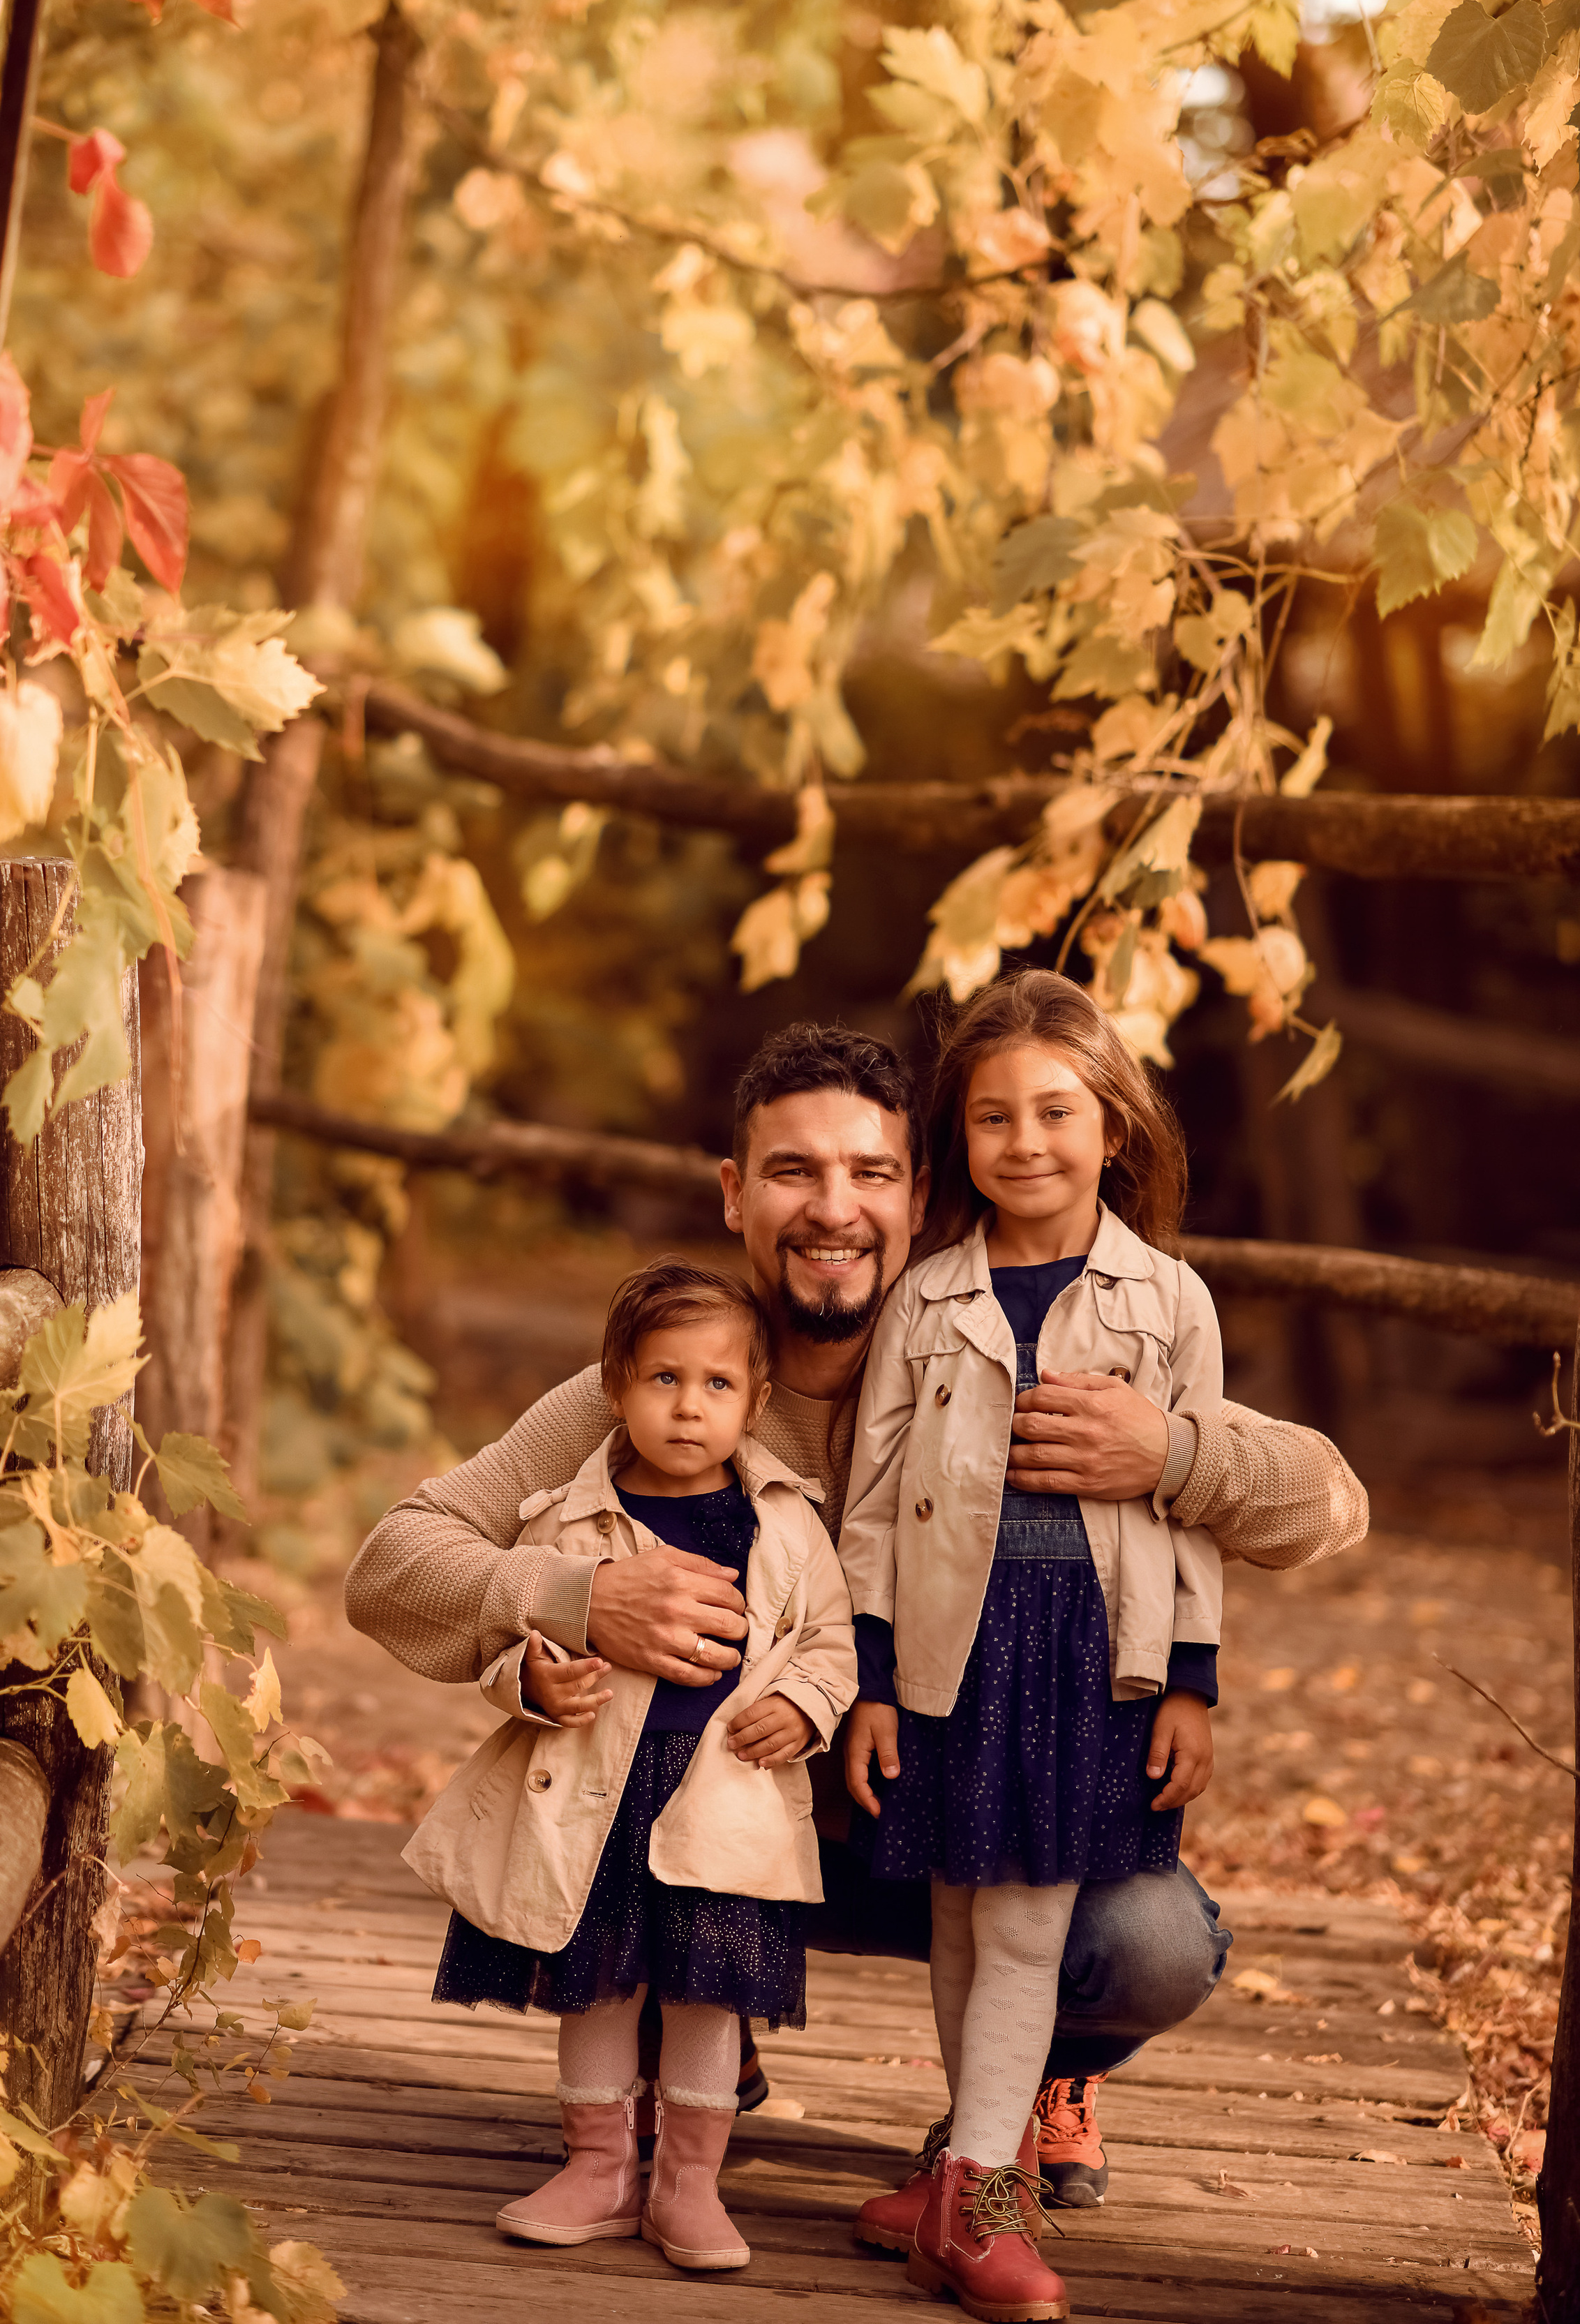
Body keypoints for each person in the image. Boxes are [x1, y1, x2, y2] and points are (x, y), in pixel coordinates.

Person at [346, 1017, 1369, 2216]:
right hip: (724, 1831)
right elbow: (392, 1565)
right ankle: (693, 2014)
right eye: (793, 1172)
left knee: (1151, 1943)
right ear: (735, 1196)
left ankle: (1038, 2076)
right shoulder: (669, 1387)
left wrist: (1176, 1453)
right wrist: (574, 1598)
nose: (834, 1209)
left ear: (920, 1194)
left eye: (870, 1174)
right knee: (602, 1808)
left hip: (951, 1811)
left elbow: (1332, 1504)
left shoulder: (979, 1351)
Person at [838, 969, 1232, 2321]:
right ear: (958, 1142)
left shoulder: (1166, 1300)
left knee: (1021, 1923)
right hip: (952, 1645)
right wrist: (873, 1678)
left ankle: (970, 2202)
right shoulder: (927, 1299)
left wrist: (1190, 1681)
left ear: (1112, 1124)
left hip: (1083, 1648)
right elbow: (872, 1509)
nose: (1026, 1142)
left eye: (1055, 1112)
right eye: (993, 1118)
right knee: (962, 1911)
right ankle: (972, 2165)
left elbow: (1190, 1513)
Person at [401, 1260, 856, 2274]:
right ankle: (599, 2167)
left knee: (706, 1994)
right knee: (595, 1987)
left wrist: (804, 1703)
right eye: (663, 1381)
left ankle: (689, 2182)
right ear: (614, 1386)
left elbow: (830, 1636)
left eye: (718, 1386)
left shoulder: (784, 1519)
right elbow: (505, 1638)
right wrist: (530, 1678)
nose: (689, 1408)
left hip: (723, 1794)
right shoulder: (570, 1519)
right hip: (595, 1797)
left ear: (757, 1401)